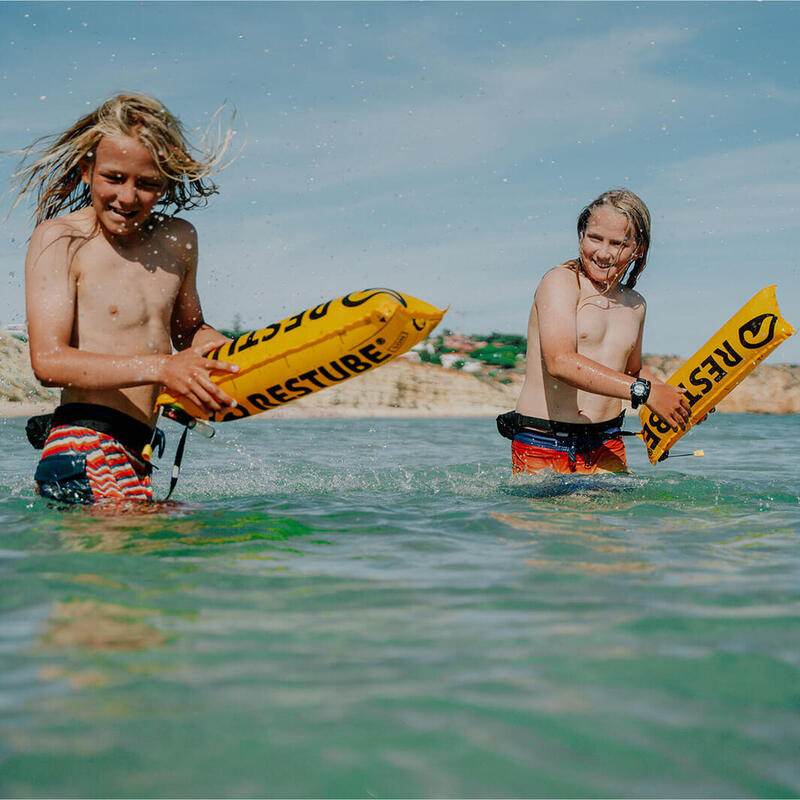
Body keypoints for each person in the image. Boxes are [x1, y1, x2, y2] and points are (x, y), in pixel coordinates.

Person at [15, 92, 240, 504]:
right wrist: (163, 368)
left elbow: (188, 329)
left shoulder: (178, 240)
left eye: (148, 184)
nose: (128, 198)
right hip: (82, 444)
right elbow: (48, 362)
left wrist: (228, 353)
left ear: (167, 182)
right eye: (114, 178)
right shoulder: (61, 239)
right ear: (87, 170)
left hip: (139, 453)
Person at [498, 188, 691, 475]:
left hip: (607, 445)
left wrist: (675, 398)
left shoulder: (635, 305)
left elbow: (631, 371)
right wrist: (645, 392)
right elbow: (560, 361)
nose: (603, 253)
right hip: (544, 442)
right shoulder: (561, 283)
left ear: (639, 249)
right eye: (594, 238)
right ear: (581, 235)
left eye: (618, 243)